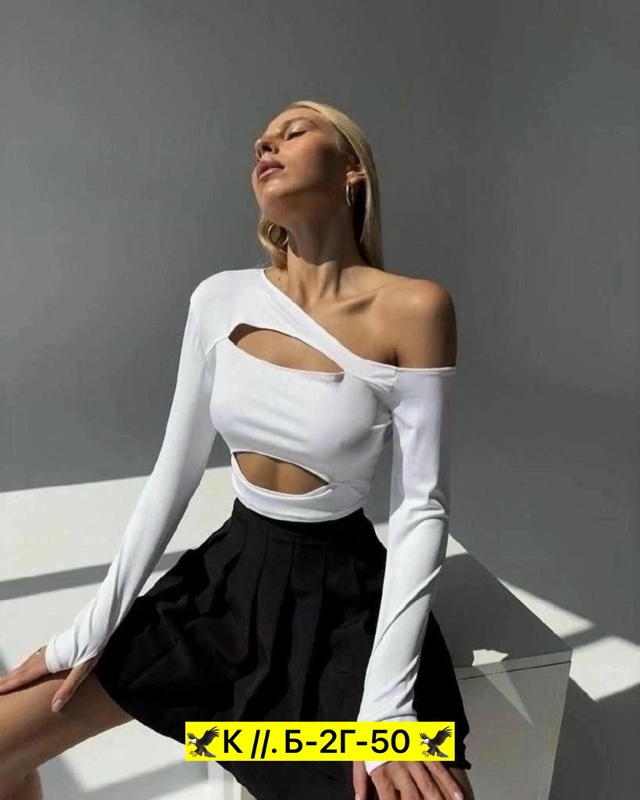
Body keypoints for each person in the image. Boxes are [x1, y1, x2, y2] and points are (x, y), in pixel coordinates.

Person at [0, 100, 475, 800]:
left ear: (352, 168)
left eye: (293, 131)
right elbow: (174, 473)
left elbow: (420, 508)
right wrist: (91, 629)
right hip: (224, 586)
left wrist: (388, 709)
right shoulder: (219, 299)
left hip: (342, 605)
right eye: (261, 140)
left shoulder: (414, 308)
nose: (266, 145)